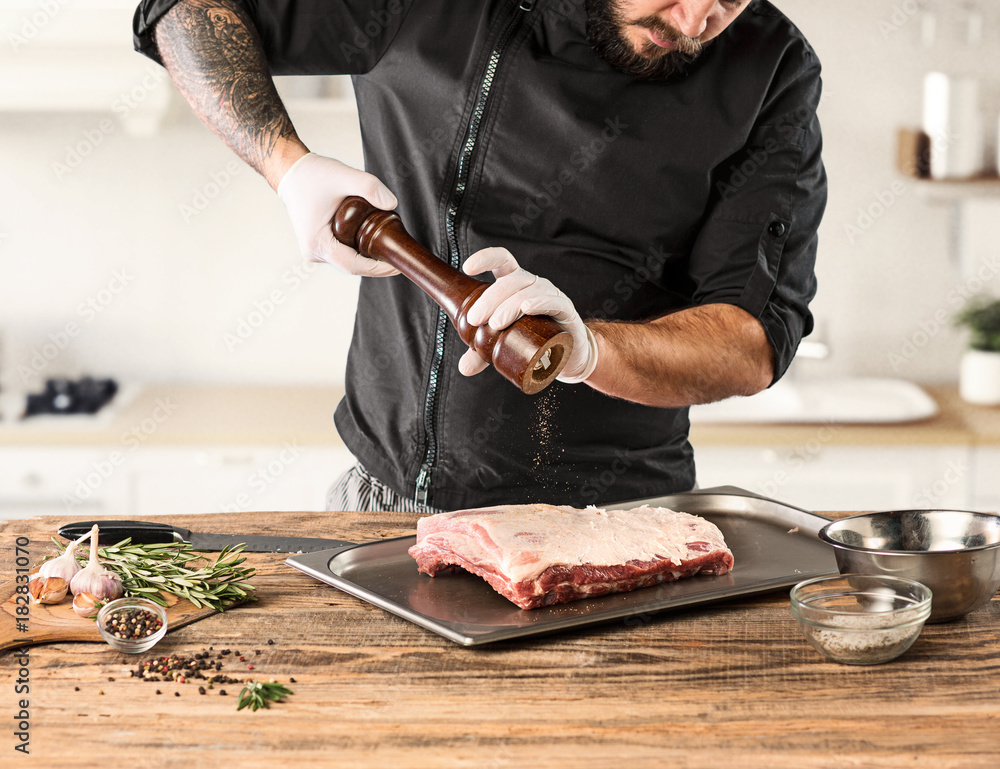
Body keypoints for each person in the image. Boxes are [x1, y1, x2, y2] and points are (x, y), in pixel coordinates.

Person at [132, 0, 826, 513]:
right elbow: (182, 11)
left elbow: (749, 340)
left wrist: (591, 351)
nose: (699, 16)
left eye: (731, 0)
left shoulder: (770, 70)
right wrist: (286, 166)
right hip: (389, 508)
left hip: (620, 519)